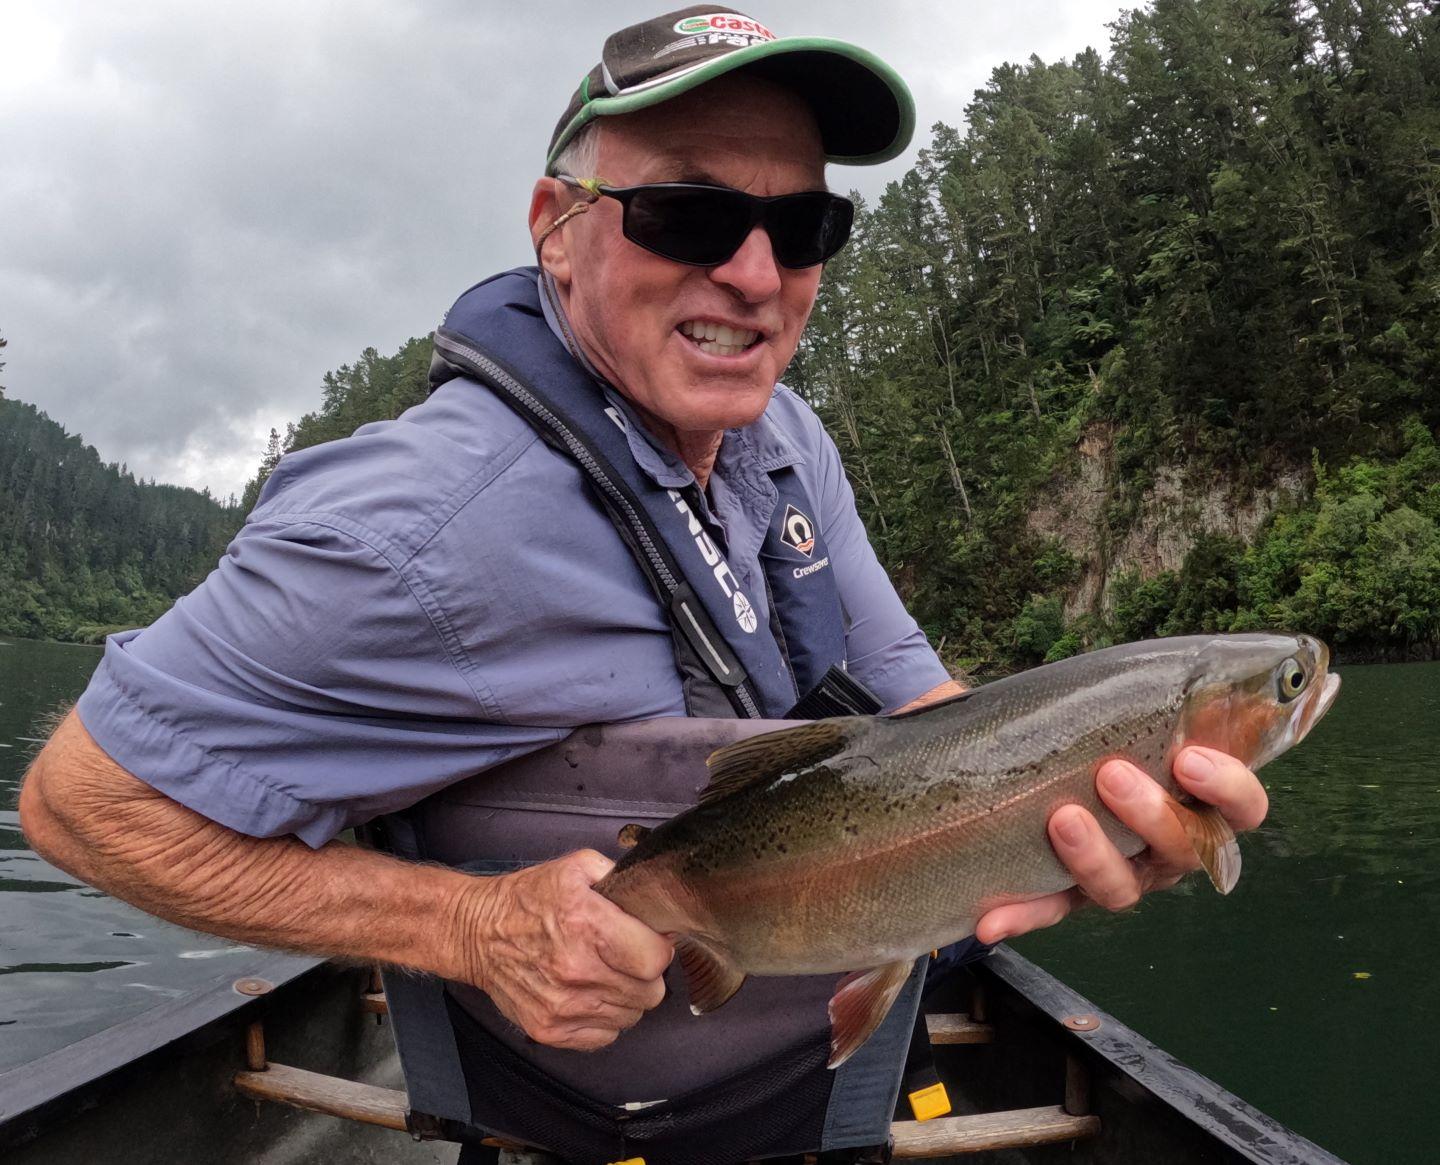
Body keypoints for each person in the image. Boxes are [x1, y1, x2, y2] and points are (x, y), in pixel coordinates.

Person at [19, 7, 1269, 1162]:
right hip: (575, 1117)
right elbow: (81, 807)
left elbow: (932, 719)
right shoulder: (410, 528)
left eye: (804, 228)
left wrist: (1094, 800)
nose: (754, 275)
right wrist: (468, 928)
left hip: (823, 1061)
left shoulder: (787, 442)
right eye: (686, 214)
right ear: (556, 228)